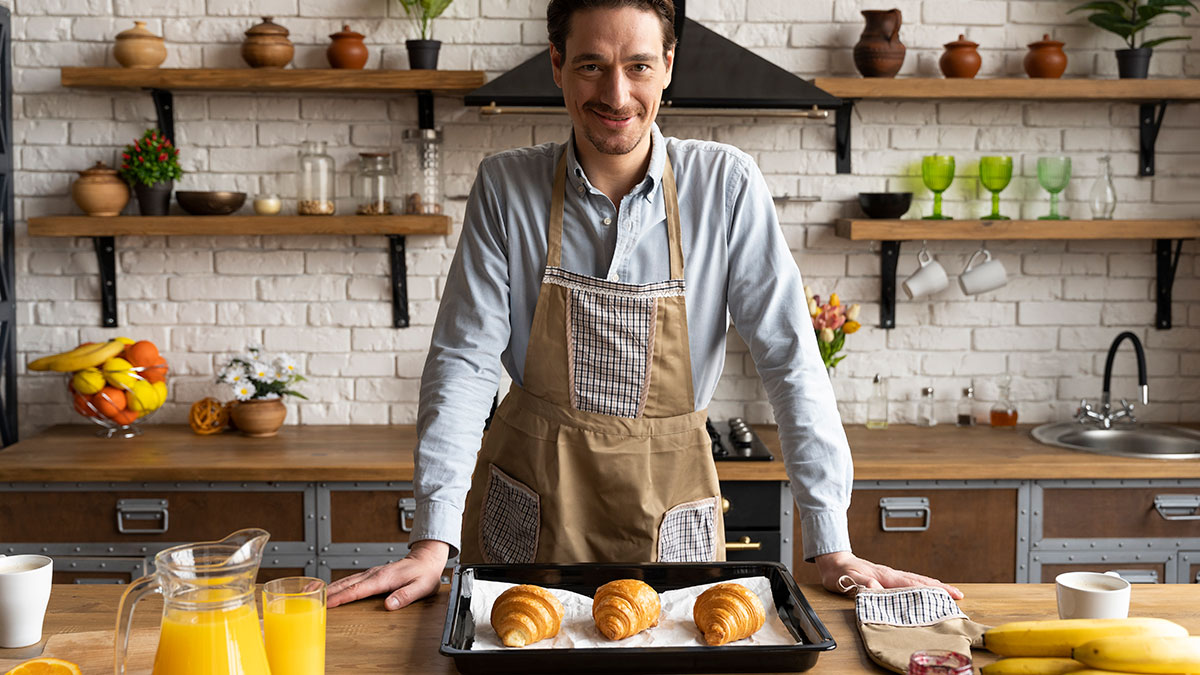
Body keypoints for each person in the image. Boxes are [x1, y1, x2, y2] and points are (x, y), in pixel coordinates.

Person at [328, 0, 961, 611]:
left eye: (638, 65)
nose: (616, 94)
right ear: (556, 63)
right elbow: (463, 364)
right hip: (528, 506)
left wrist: (832, 544)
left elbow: (791, 360)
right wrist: (432, 539)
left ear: (668, 64)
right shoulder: (505, 187)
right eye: (590, 65)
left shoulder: (726, 186)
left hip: (672, 513)